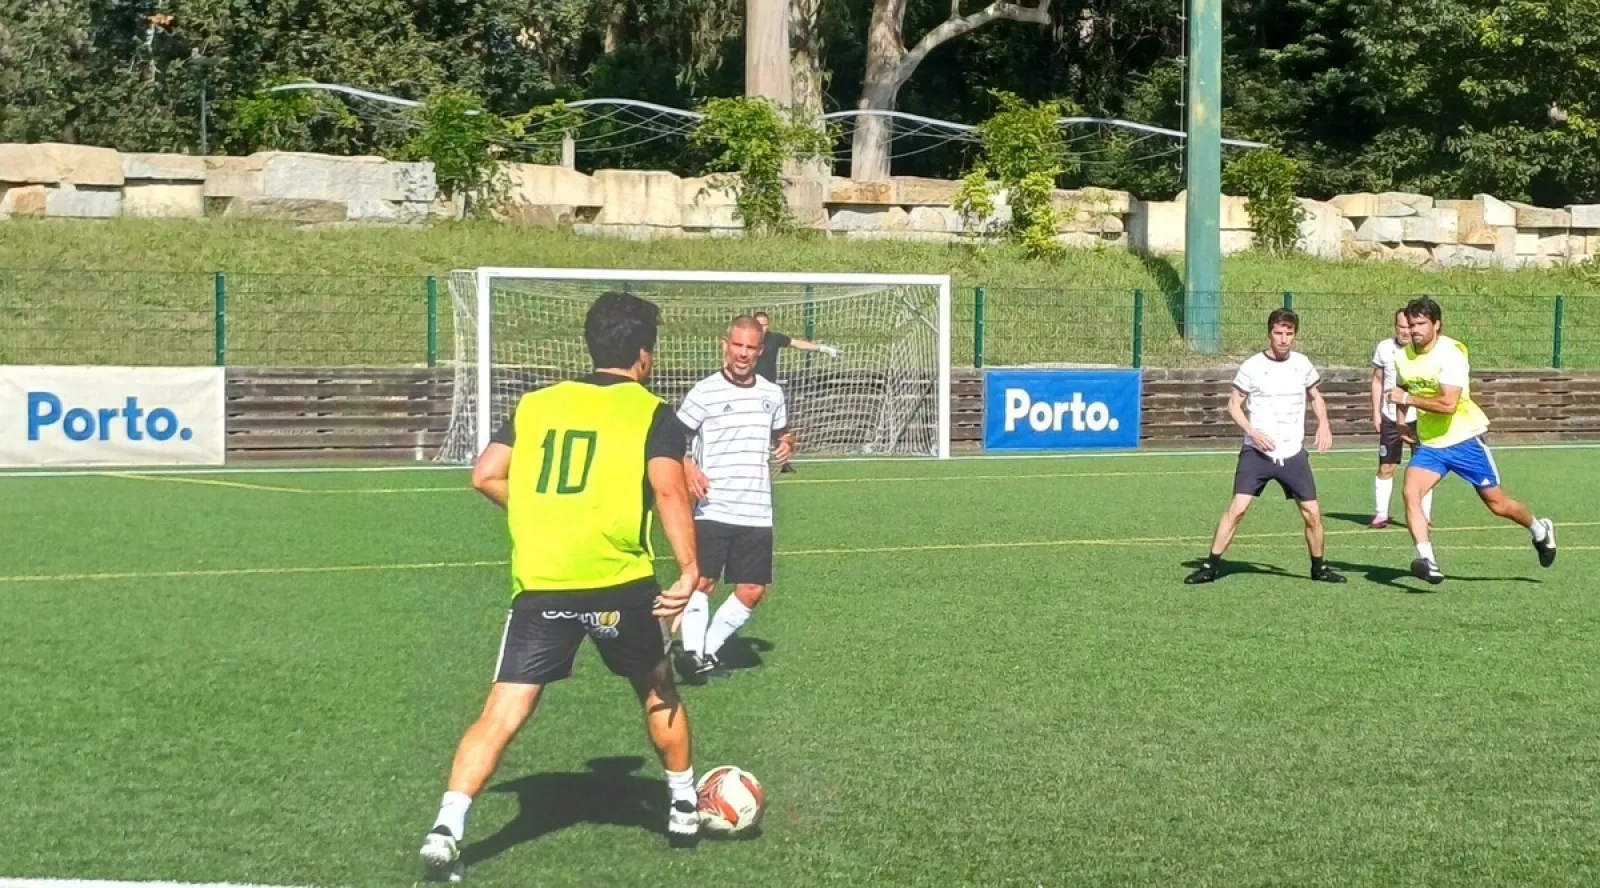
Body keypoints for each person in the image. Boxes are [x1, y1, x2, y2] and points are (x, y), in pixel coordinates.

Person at [418, 291, 703, 882]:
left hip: (544, 584)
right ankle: (681, 805)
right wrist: (690, 570)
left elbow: (484, 475)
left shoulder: (535, 404)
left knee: (503, 710)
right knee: (657, 689)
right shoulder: (652, 411)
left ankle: (447, 827)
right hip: (619, 584)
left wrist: (547, 514)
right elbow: (671, 491)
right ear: (645, 354)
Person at [1389, 296, 1556, 584]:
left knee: (1497, 504)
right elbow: (1403, 386)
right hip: (1431, 445)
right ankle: (1427, 560)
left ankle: (1539, 530)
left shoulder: (1451, 353)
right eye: (1410, 324)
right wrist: (1402, 421)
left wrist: (1406, 399)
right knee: (1410, 493)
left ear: (1436, 325)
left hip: (1464, 439)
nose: (1413, 330)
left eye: (1420, 324)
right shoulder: (1403, 357)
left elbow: (1447, 404)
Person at [1185, 308, 1345, 585]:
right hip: (1257, 452)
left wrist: (1324, 423)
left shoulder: (1302, 364)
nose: (1283, 339)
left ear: (1295, 335)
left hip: (1292, 452)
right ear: (1269, 333)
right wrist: (1252, 432)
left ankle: (1319, 568)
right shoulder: (1252, 366)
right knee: (1238, 508)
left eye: (1289, 333)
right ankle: (1210, 565)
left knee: (1312, 513)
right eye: (1278, 333)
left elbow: (1316, 397)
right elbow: (1233, 405)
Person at [675, 315, 794, 680]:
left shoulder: (771, 394)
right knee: (704, 582)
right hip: (714, 505)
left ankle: (708, 650)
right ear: (724, 345)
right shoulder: (704, 392)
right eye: (737, 345)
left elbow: (783, 435)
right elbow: (674, 439)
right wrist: (688, 464)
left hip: (757, 510)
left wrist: (787, 445)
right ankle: (694, 655)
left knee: (753, 589)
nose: (742, 354)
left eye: (750, 347)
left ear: (760, 351)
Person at [752, 311, 839, 474]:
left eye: (764, 324)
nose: (762, 328)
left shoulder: (775, 338)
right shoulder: (749, 341)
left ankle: (783, 463)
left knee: (779, 428)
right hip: (751, 390)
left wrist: (822, 348)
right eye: (758, 324)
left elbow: (796, 343)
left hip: (770, 391)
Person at [1370, 308, 1433, 528]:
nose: (1406, 331)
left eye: (1410, 326)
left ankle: (1424, 515)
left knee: (1425, 468)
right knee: (1386, 466)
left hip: (1421, 418)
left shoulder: (1423, 352)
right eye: (1401, 326)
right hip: (1390, 417)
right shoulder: (1384, 348)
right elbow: (1377, 380)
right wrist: (1376, 412)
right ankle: (1381, 514)